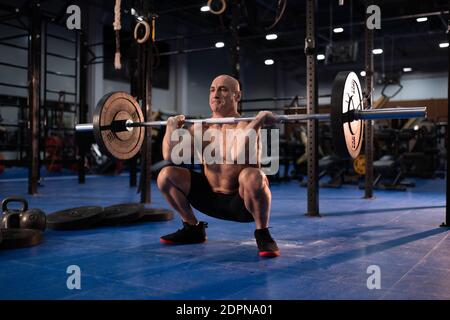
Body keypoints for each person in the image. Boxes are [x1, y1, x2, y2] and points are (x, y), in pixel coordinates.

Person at [157, 75, 280, 257]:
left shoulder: (246, 125)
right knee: (165, 175)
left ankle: (262, 233)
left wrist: (258, 121)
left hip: (242, 203)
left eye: (223, 89)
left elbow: (235, 154)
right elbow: (170, 155)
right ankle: (193, 228)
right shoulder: (201, 128)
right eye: (212, 90)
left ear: (237, 96)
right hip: (210, 199)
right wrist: (170, 128)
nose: (215, 94)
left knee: (253, 176)